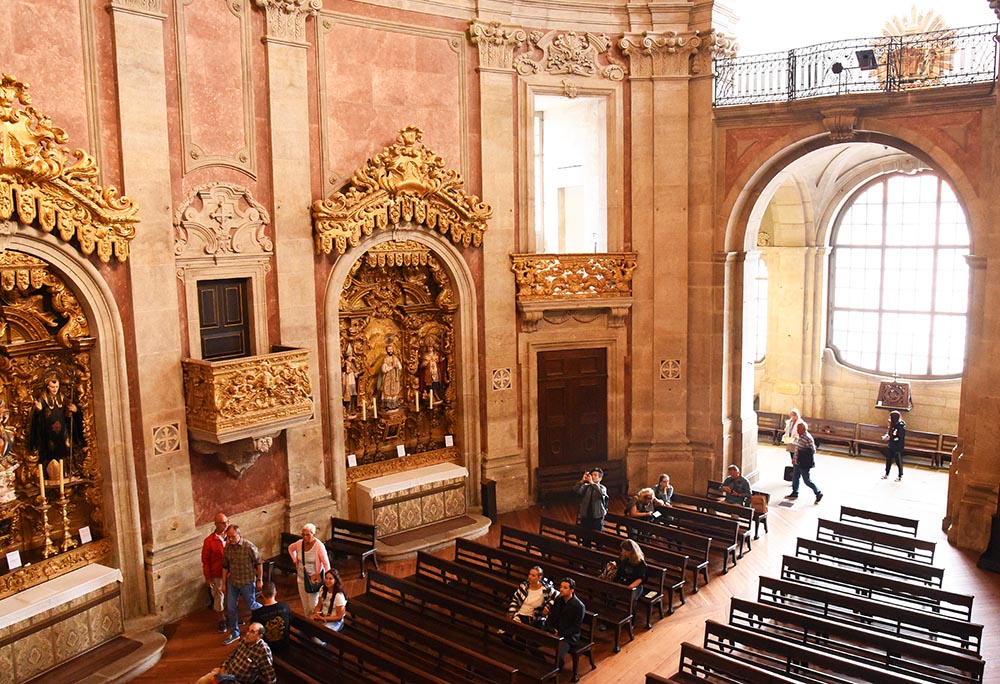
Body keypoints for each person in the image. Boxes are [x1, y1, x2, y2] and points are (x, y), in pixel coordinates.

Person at [28, 371, 84, 480]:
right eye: (52, 387)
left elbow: (70, 411)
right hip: (49, 433)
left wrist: (74, 410)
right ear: (48, 387)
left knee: (67, 447)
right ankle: (53, 473)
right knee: (52, 451)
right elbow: (36, 421)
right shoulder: (43, 399)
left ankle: (68, 471)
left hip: (63, 432)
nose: (55, 389)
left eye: (57, 387)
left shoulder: (62, 398)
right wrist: (38, 411)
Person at [195, 622, 276, 684]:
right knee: (201, 681)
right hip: (226, 672)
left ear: (260, 636)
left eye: (252, 632)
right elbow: (232, 655)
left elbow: (270, 676)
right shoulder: (244, 641)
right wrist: (223, 668)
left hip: (237, 681)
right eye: (248, 630)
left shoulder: (263, 651)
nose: (247, 634)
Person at [222, 524, 263, 645]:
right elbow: (225, 566)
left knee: (252, 604)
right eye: (228, 537)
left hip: (247, 581)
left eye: (232, 536)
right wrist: (224, 583)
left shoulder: (249, 547)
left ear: (239, 535)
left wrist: (260, 579)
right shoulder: (228, 548)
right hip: (233, 582)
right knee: (231, 607)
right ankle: (235, 633)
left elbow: (259, 562)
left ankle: (264, 616)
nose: (230, 539)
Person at [288, 523, 331, 615]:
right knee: (305, 606)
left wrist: (328, 580)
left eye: (308, 535)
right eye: (303, 534)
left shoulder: (319, 546)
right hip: (301, 578)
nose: (305, 537)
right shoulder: (299, 543)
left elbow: (326, 564)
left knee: (313, 605)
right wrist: (295, 559)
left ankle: (316, 624)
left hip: (313, 580)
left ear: (313, 534)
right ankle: (309, 623)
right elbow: (290, 548)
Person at [545, 578, 586, 671]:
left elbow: (575, 628)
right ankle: (543, 665)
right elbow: (552, 616)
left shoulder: (579, 606)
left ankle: (557, 673)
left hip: (568, 636)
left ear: (572, 590)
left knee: (559, 657)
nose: (561, 589)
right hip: (555, 631)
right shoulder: (559, 600)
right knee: (532, 642)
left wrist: (560, 633)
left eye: (565, 588)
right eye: (561, 587)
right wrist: (550, 628)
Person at [201, 512, 228, 632]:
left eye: (226, 522)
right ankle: (221, 620)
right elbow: (205, 560)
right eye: (222, 523)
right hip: (217, 574)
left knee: (232, 596)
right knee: (219, 598)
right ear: (216, 524)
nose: (226, 524)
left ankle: (232, 617)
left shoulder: (231, 536)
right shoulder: (209, 541)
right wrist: (208, 577)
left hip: (230, 573)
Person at [251, 582, 291, 655]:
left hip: (267, 649)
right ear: (275, 593)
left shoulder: (257, 614)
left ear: (262, 594)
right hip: (284, 645)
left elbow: (254, 633)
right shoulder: (285, 606)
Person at [789, 422, 823, 503]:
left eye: (798, 429)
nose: (797, 430)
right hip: (797, 461)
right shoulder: (800, 436)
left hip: (803, 462)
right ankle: (794, 493)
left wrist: (803, 452)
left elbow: (813, 450)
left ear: (803, 429)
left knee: (807, 480)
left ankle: (818, 492)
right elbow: (797, 448)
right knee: (795, 477)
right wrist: (794, 459)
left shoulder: (808, 438)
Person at [612, 539, 648, 611]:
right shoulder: (624, 558)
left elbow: (640, 579)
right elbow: (619, 568)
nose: (623, 552)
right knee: (612, 593)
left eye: (625, 551)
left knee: (632, 598)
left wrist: (629, 588)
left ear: (631, 551)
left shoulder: (640, 563)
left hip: (635, 586)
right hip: (623, 581)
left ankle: (631, 616)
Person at [574, 468, 609, 532]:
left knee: (597, 536)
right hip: (585, 516)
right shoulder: (586, 486)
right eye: (592, 475)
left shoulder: (603, 488)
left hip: (597, 517)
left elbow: (601, 493)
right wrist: (582, 481)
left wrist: (592, 483)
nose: (592, 477)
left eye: (595, 475)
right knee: (585, 536)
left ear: (600, 478)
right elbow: (576, 490)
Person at [377, 342, 403, 410]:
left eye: (391, 349)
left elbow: (400, 367)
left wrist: (397, 366)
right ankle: (387, 405)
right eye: (389, 349)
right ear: (387, 350)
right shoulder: (385, 359)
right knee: (387, 391)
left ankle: (394, 404)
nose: (390, 351)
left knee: (394, 391)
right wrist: (391, 367)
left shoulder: (395, 358)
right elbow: (384, 369)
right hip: (388, 378)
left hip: (394, 377)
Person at [882, 410, 906, 481]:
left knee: (898, 461)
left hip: (897, 446)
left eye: (890, 417)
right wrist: (886, 436)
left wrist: (891, 438)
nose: (889, 418)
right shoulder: (892, 424)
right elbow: (889, 432)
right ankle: (886, 474)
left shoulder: (900, 426)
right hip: (891, 445)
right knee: (888, 460)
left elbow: (900, 437)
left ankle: (900, 475)